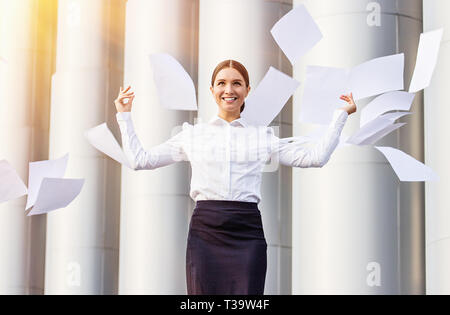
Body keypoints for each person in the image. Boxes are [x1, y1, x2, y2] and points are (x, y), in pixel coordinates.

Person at [114, 59, 357, 295]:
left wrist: (341, 116)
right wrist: (124, 117)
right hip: (205, 231)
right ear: (212, 90)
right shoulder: (192, 135)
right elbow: (140, 160)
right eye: (221, 83)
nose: (229, 90)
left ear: (247, 90)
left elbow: (315, 158)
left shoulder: (262, 136)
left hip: (247, 230)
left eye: (237, 83)